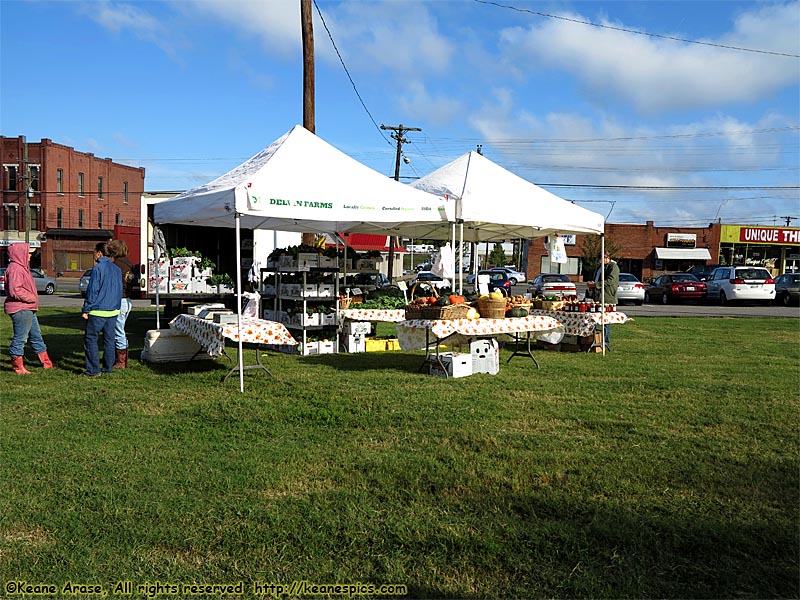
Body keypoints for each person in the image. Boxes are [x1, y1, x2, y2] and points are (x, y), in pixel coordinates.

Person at [4, 242, 54, 374]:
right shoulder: (16, 268)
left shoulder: (21, 268)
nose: (30, 256)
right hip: (21, 309)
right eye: (28, 253)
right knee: (21, 337)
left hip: (27, 308)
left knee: (36, 336)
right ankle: (18, 366)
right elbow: (15, 290)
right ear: (20, 253)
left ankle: (46, 362)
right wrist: (31, 298)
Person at [82, 242, 122, 376]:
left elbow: (92, 290)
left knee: (91, 339)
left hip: (98, 310)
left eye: (94, 251)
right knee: (109, 339)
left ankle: (93, 370)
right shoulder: (117, 269)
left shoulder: (98, 268)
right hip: (113, 310)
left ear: (99, 253)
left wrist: (86, 308)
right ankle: (108, 367)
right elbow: (119, 290)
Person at [106, 239, 135, 369]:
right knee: (120, 328)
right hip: (127, 300)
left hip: (119, 300)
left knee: (118, 330)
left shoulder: (115, 265)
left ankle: (121, 361)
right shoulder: (129, 264)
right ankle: (121, 358)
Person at [588, 250, 619, 350]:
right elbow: (597, 280)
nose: (604, 260)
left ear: (609, 258)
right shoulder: (598, 268)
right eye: (602, 258)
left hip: (607, 298)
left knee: (606, 321)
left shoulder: (613, 267)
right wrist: (592, 284)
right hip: (597, 297)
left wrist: (596, 284)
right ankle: (595, 341)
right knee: (595, 320)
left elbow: (610, 280)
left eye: (605, 258)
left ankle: (605, 343)